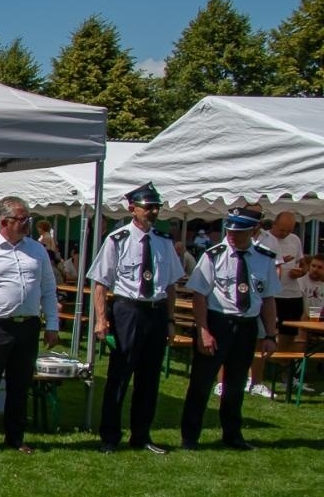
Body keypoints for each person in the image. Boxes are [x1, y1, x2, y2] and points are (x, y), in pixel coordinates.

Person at [88, 182, 183, 454]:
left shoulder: (163, 242)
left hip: (155, 310)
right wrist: (101, 320)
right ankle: (110, 435)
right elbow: (100, 283)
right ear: (132, 209)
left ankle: (141, 435)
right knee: (120, 375)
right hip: (128, 310)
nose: (153, 212)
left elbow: (172, 285)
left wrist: (170, 319)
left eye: (156, 207)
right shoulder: (117, 240)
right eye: (147, 207)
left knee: (149, 378)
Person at [0, 195, 61, 454]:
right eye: (21, 219)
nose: (27, 223)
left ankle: (15, 437)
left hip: (28, 325)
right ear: (4, 222)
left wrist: (52, 324)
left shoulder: (37, 250)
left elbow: (49, 289)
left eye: (28, 218)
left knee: (20, 384)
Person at [179, 210, 281, 450]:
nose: (232, 236)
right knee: (201, 383)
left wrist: (269, 334)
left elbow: (268, 299)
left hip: (246, 326)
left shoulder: (264, 259)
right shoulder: (214, 256)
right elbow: (200, 296)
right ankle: (190, 437)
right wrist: (204, 330)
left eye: (239, 232)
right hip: (218, 322)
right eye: (230, 231)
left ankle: (233, 435)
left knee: (235, 384)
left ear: (254, 232)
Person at [247, 211, 307, 398]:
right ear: (274, 224)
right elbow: (275, 266)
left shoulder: (295, 240)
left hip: (292, 294)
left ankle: (286, 376)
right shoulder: (268, 239)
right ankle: (255, 377)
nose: (285, 234)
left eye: (289, 230)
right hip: (273, 296)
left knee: (290, 338)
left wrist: (302, 271)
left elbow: (302, 262)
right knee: (263, 336)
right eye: (282, 229)